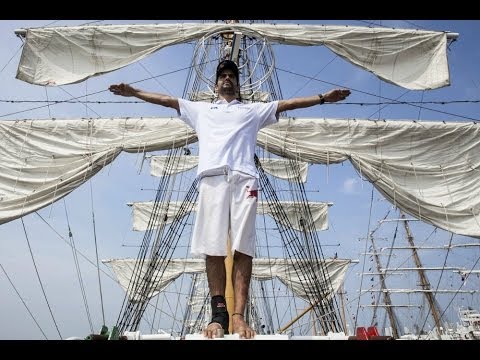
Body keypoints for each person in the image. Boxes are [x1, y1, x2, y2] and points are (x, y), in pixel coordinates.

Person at [109, 59, 350, 339]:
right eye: (222, 75)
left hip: (245, 178)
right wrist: (134, 92)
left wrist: (323, 99)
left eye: (232, 76)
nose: (227, 79)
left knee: (243, 248)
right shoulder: (200, 110)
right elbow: (168, 100)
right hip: (212, 178)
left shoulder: (252, 111)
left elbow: (287, 104)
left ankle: (238, 317)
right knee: (213, 248)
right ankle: (219, 315)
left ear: (237, 83)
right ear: (216, 84)